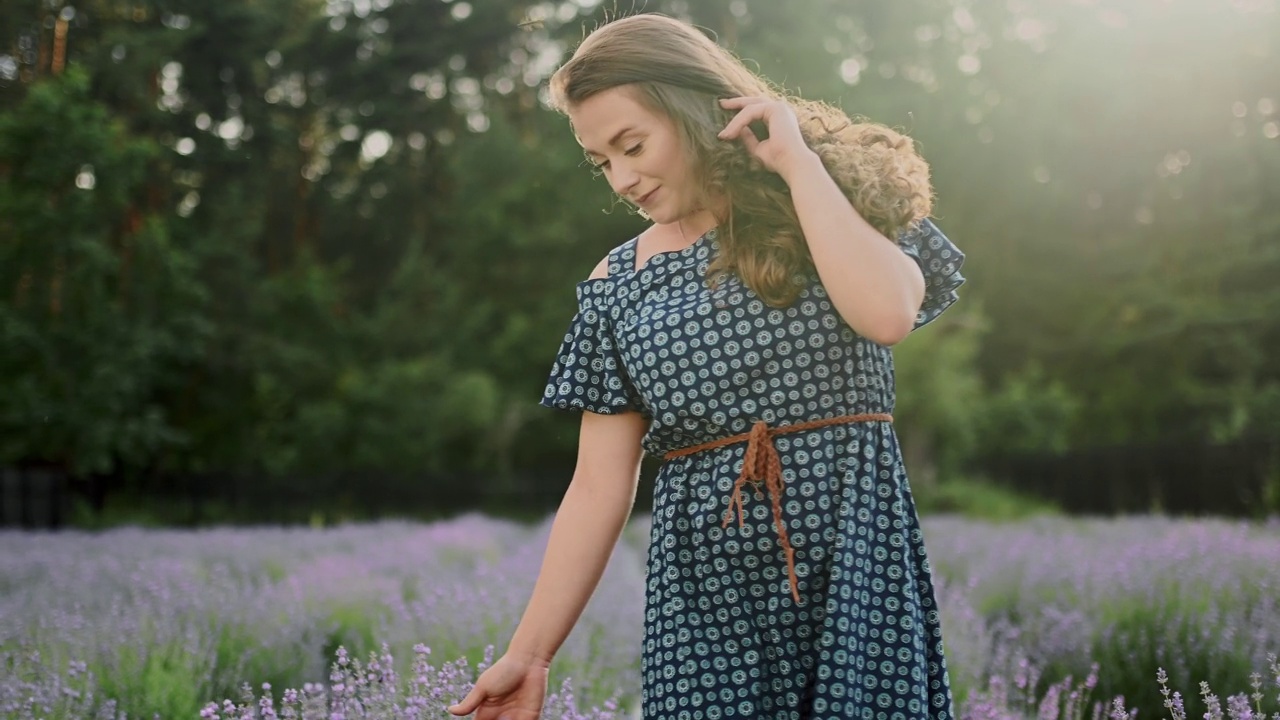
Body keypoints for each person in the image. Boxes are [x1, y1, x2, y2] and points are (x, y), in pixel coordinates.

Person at [448, 12, 964, 720]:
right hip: (707, 603)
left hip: (856, 572)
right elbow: (598, 485)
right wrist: (530, 654)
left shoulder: (829, 198)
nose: (622, 178)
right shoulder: (617, 284)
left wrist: (797, 165)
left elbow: (886, 314)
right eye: (603, 161)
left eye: (633, 145)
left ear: (692, 109)